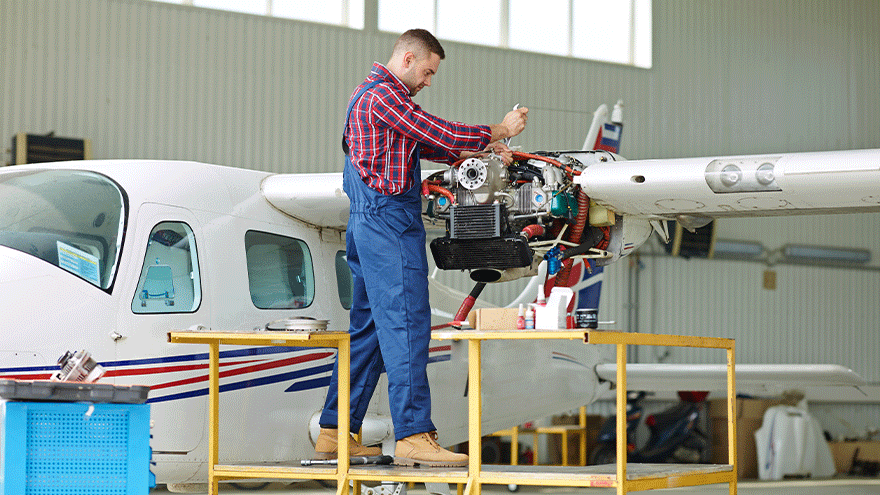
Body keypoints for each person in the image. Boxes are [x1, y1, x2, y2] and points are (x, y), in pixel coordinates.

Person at [314, 28, 528, 467]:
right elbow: (442, 135)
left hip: (369, 225)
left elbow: (430, 145)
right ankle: (413, 434)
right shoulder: (381, 97)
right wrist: (499, 128)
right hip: (389, 228)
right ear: (408, 58)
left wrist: (491, 148)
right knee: (409, 324)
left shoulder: (379, 103)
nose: (429, 81)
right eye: (428, 72)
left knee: (370, 331)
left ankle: (336, 432)